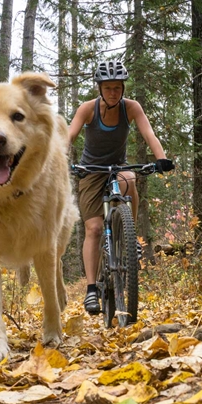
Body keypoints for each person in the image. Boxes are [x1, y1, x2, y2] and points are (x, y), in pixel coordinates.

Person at [68, 60, 174, 314]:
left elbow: (149, 134)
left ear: (123, 88)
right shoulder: (87, 109)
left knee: (129, 178)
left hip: (118, 166)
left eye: (117, 87)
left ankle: (130, 235)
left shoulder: (132, 108)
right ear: (100, 88)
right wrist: (62, 159)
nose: (113, 92)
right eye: (108, 88)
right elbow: (68, 135)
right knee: (93, 228)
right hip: (91, 171)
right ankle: (92, 289)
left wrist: (161, 159)